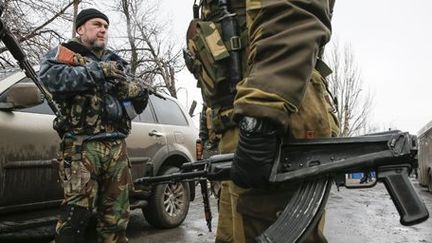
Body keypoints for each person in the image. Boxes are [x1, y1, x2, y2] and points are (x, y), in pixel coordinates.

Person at [184, 0, 339, 242]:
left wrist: (261, 116)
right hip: (242, 120)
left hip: (275, 116)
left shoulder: (263, 111)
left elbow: (293, 11)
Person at [39, 8, 149, 243]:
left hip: (117, 147)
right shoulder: (65, 54)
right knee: (75, 220)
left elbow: (138, 103)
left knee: (116, 219)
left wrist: (134, 91)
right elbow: (50, 78)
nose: (103, 30)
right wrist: (98, 71)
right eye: (97, 25)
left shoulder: (116, 62)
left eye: (106, 27)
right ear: (80, 29)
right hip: (81, 147)